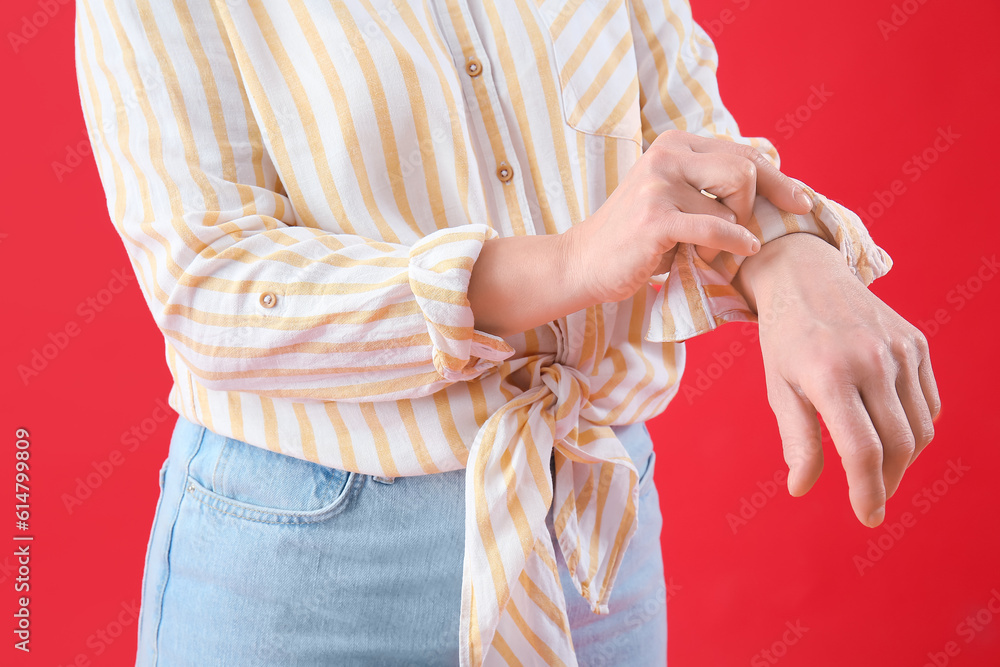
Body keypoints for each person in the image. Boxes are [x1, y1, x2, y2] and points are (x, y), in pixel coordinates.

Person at [74, 0, 939, 665]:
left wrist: (792, 260)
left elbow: (683, 132)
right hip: (313, 564)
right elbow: (211, 286)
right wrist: (569, 261)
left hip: (593, 532)